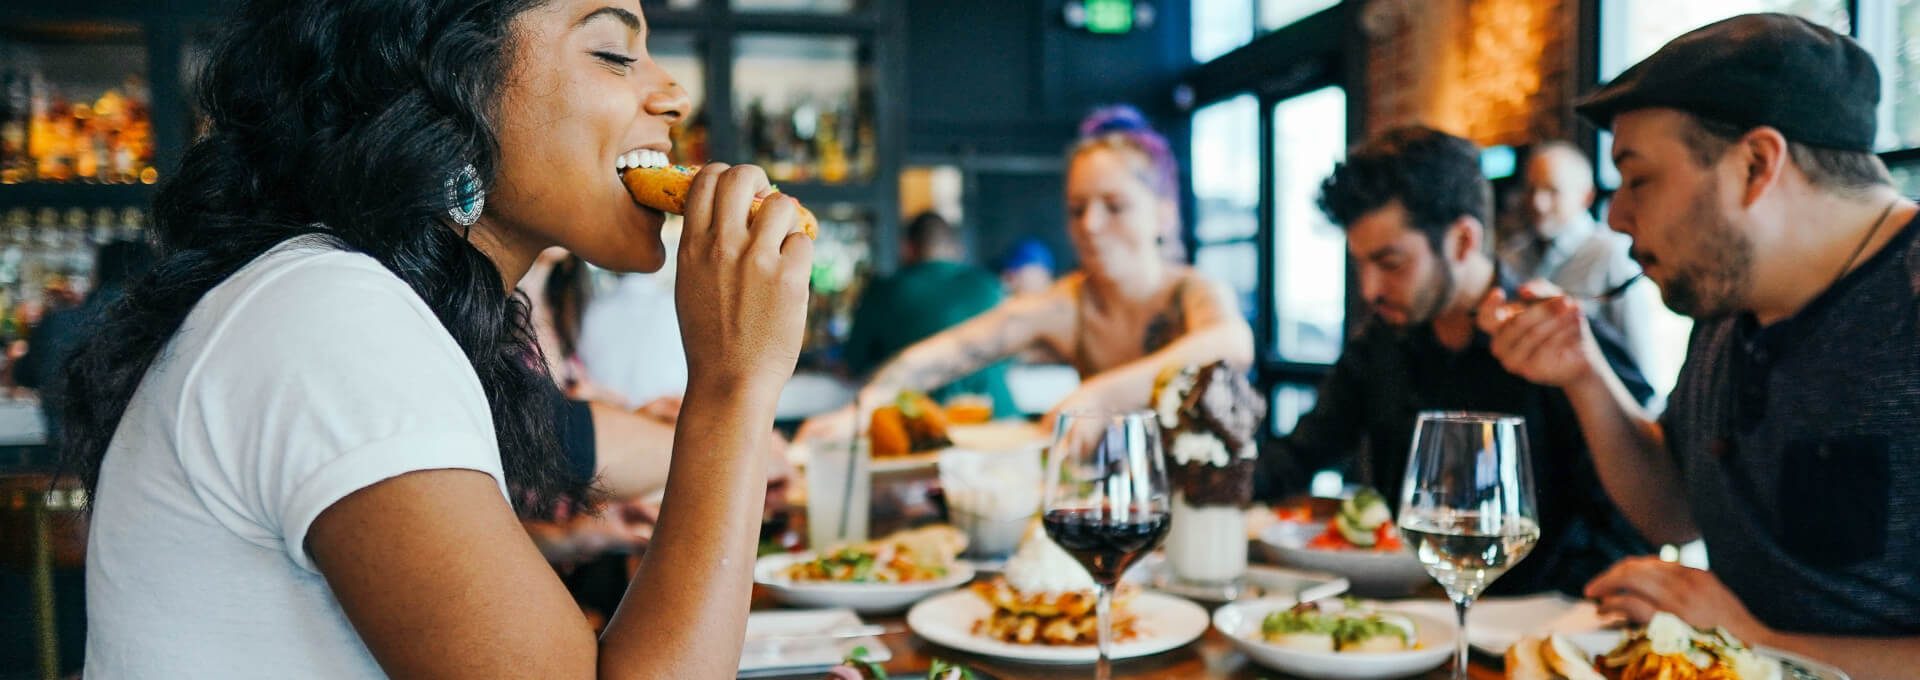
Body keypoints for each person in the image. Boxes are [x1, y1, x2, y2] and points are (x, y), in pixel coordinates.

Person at [59, 1, 812, 677]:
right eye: (613, 52)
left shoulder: (366, 304)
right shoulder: (330, 320)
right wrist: (735, 385)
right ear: (449, 86)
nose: (674, 94)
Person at [1479, 14, 1920, 675]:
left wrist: (1752, 639)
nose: (1616, 217)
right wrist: (1583, 372)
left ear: (1755, 164)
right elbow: (1673, 511)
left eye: (1639, 178)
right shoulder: (1728, 304)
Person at [1255, 126, 1654, 596]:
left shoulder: (1560, 342)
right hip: (1408, 615)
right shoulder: (1380, 343)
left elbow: (1635, 524)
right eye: (1360, 265)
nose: (1369, 290)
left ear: (1463, 240)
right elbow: (1301, 454)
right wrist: (1205, 477)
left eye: (1391, 263)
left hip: (1534, 632)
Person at [796, 105, 1254, 441]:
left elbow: (1231, 344)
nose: (1090, 225)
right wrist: (862, 409)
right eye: (1077, 209)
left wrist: (1095, 398)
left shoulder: (1192, 291)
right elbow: (952, 351)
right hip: (1117, 510)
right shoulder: (1068, 304)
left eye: (1114, 206)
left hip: (1209, 518)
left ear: (1164, 214)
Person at [1501, 142, 1676, 397]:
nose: (1538, 203)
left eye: (1552, 191)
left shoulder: (1612, 254)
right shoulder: (1512, 256)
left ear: (1586, 196)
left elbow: (1639, 362)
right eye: (1531, 190)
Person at [842, 211, 1013, 413]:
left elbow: (851, 365)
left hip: (922, 423)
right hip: (1000, 419)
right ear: (954, 247)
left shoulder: (884, 291)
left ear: (907, 247)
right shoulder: (990, 285)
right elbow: (1011, 355)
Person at [14, 240, 154, 443]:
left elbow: (23, 375)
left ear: (96, 275)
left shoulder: (55, 323)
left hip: (62, 459)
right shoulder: (156, 326)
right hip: (136, 458)